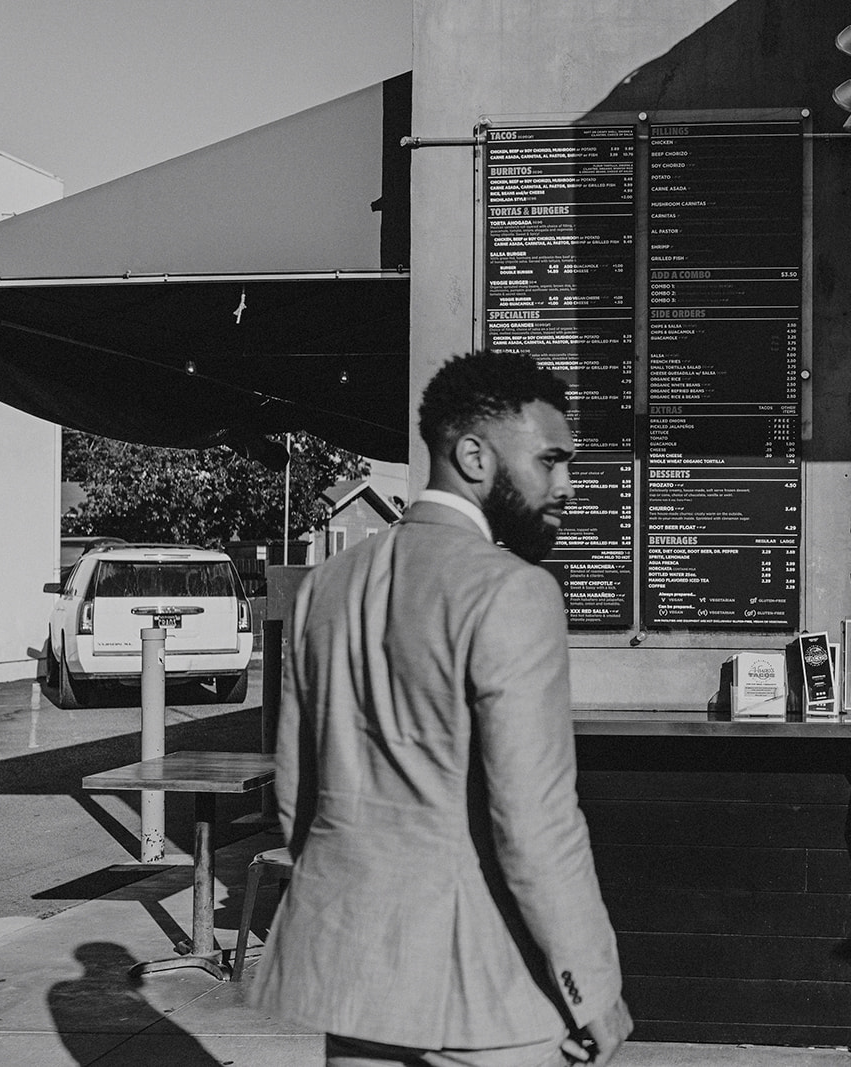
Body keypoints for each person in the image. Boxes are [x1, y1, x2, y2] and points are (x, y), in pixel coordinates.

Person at [251, 350, 633, 1067]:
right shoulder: (513, 592)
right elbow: (534, 821)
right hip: (486, 996)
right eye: (550, 460)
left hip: (353, 976)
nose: (568, 485)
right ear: (472, 455)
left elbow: (296, 795)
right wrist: (593, 989)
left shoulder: (324, 587)